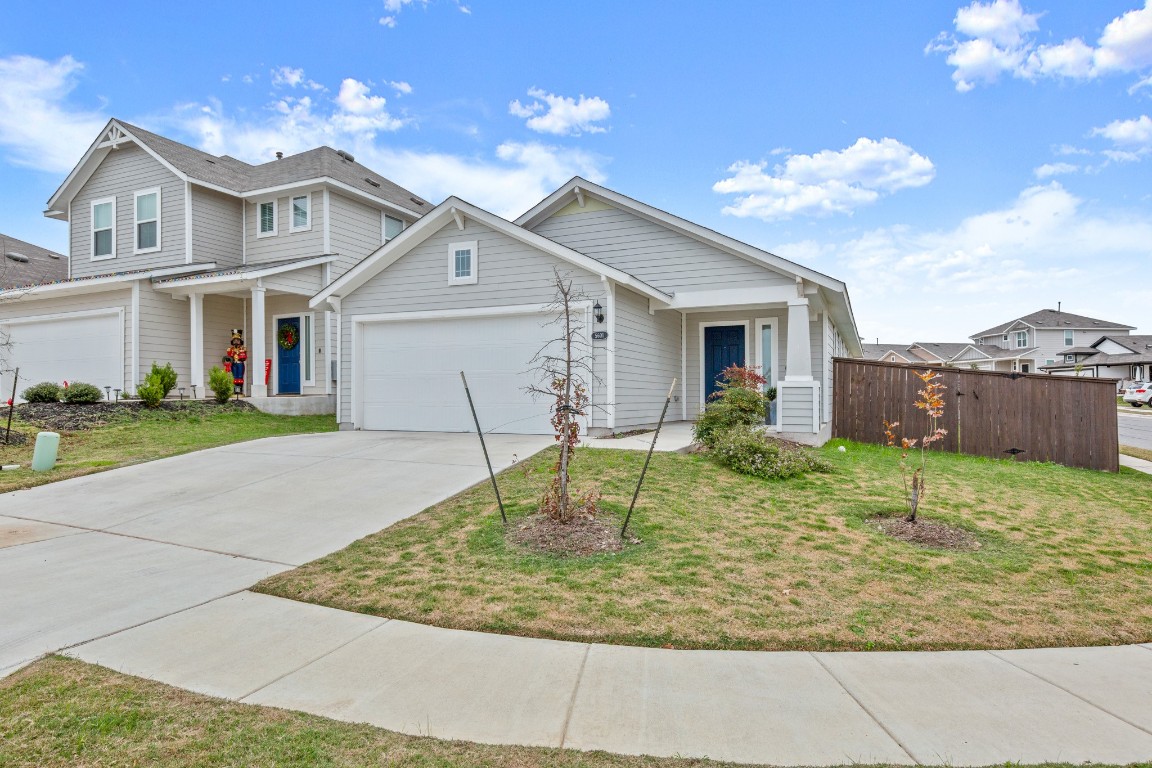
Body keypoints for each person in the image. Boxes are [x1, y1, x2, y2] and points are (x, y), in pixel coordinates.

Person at [223, 329, 247, 396]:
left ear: (240, 341)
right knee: (234, 377)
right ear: (232, 341)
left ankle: (240, 391)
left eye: (238, 340)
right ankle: (235, 391)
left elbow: (245, 357)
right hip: (233, 364)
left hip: (240, 364)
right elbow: (228, 358)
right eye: (234, 340)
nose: (236, 341)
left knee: (240, 376)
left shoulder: (243, 349)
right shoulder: (230, 349)